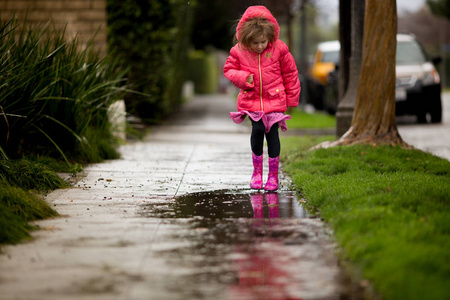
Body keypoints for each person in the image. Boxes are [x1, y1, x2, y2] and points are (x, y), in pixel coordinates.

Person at [223, 6, 301, 191]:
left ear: (269, 37)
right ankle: (257, 172)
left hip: (274, 99)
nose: (259, 47)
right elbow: (229, 70)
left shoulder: (280, 49)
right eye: (255, 43)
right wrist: (243, 78)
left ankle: (272, 176)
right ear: (246, 39)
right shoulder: (238, 51)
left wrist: (291, 100)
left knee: (272, 134)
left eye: (263, 42)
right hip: (252, 101)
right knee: (257, 130)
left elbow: (290, 74)